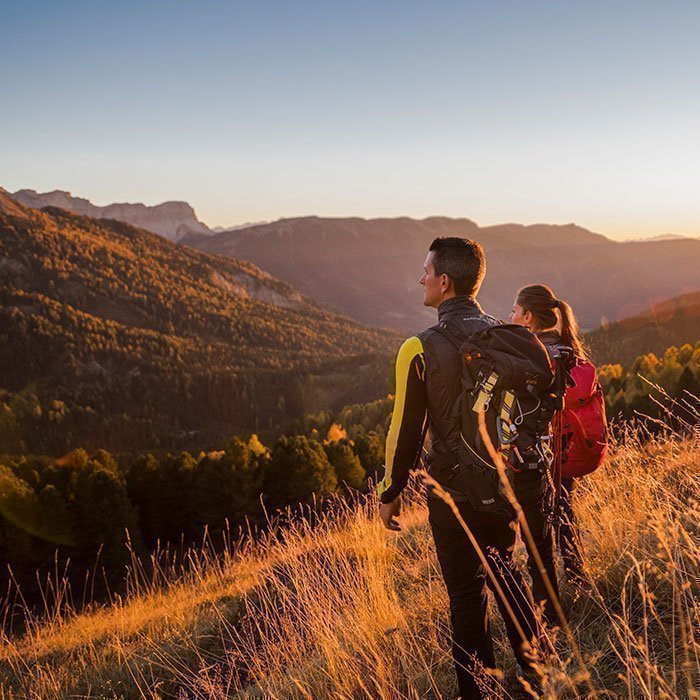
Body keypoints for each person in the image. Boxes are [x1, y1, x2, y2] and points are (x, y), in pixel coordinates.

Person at [377, 238, 542, 700]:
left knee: (467, 597)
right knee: (506, 574)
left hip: (451, 492)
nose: (421, 278)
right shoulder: (507, 335)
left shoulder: (420, 347)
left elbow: (404, 432)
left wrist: (390, 495)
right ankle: (538, 679)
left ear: (444, 282)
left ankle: (480, 692)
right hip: (503, 481)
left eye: (426, 270)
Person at [510, 284, 587, 599]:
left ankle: (545, 606)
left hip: (534, 457)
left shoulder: (530, 355)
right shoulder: (568, 350)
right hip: (565, 448)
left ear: (528, 317)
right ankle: (578, 579)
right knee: (565, 514)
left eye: (514, 311)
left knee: (535, 534)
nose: (510, 316)